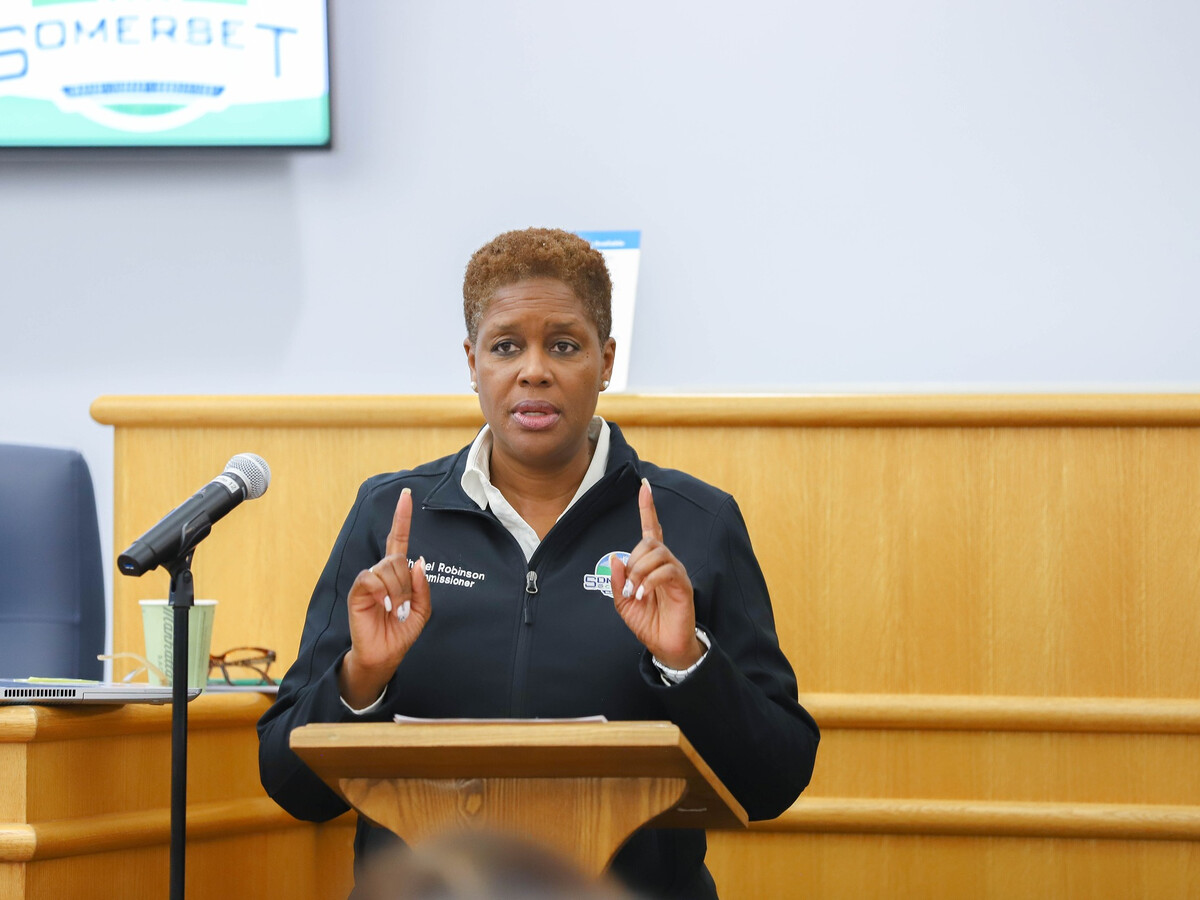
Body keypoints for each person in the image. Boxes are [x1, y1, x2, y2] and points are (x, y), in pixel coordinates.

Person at [258, 227, 820, 899]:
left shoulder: (697, 523)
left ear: (605, 361)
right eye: (505, 346)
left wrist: (687, 663)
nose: (534, 370)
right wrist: (363, 678)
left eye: (563, 345)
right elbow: (290, 784)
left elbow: (773, 782)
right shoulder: (390, 518)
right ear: (472, 363)